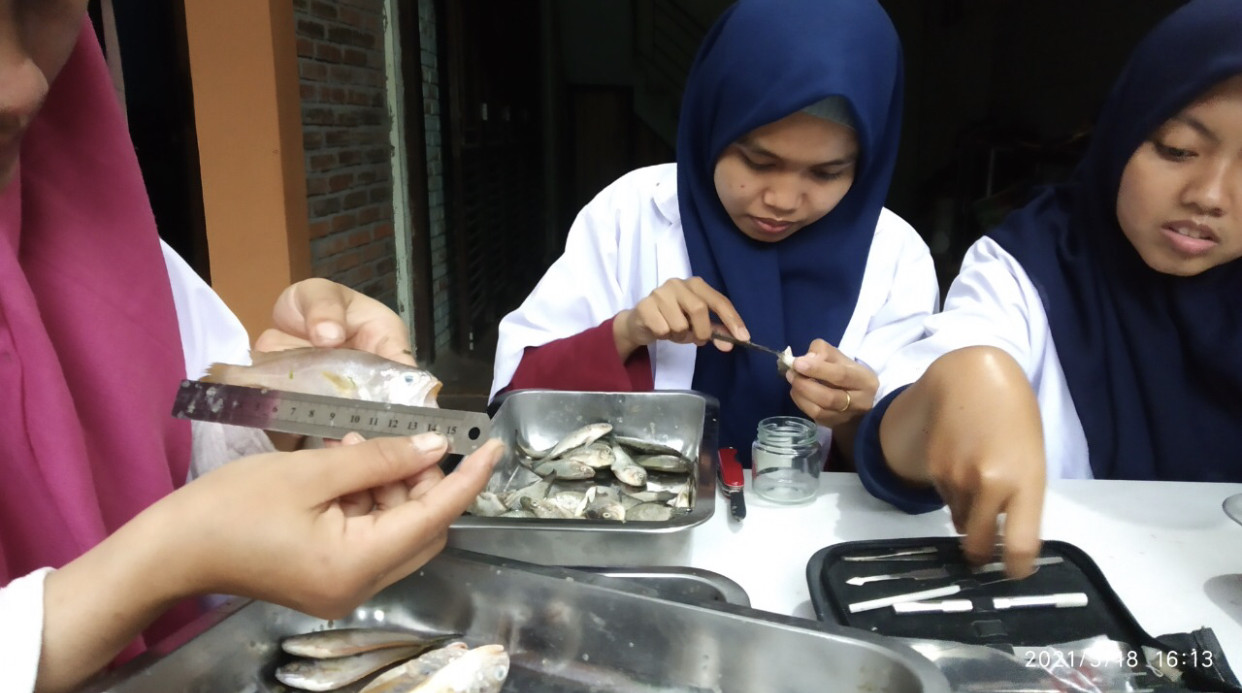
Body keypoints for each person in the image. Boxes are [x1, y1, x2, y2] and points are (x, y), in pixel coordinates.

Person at [0, 7, 501, 693]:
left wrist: (285, 414)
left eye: (38, 3)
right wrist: (164, 561)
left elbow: (191, 435)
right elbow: (185, 528)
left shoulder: (115, 238)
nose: (18, 85)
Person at [852, 0, 1242, 578]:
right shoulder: (1027, 266)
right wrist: (951, 389)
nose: (1210, 194)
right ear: (1123, 128)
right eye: (1178, 149)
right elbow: (902, 443)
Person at [490, 0, 938, 465]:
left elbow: (922, 466)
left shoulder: (896, 257)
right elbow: (515, 404)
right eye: (759, 162)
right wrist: (628, 331)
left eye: (827, 173)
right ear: (712, 125)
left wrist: (853, 418)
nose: (783, 199)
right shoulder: (631, 213)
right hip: (643, 528)